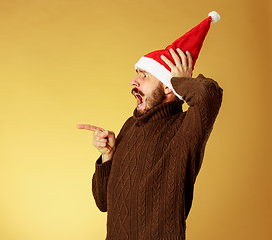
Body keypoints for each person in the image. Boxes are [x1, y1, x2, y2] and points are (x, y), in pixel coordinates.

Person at [77, 12, 223, 240]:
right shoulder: (130, 126)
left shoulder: (185, 128)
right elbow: (103, 202)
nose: (133, 81)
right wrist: (108, 156)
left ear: (167, 87)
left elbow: (209, 95)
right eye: (137, 74)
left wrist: (180, 81)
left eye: (144, 75)